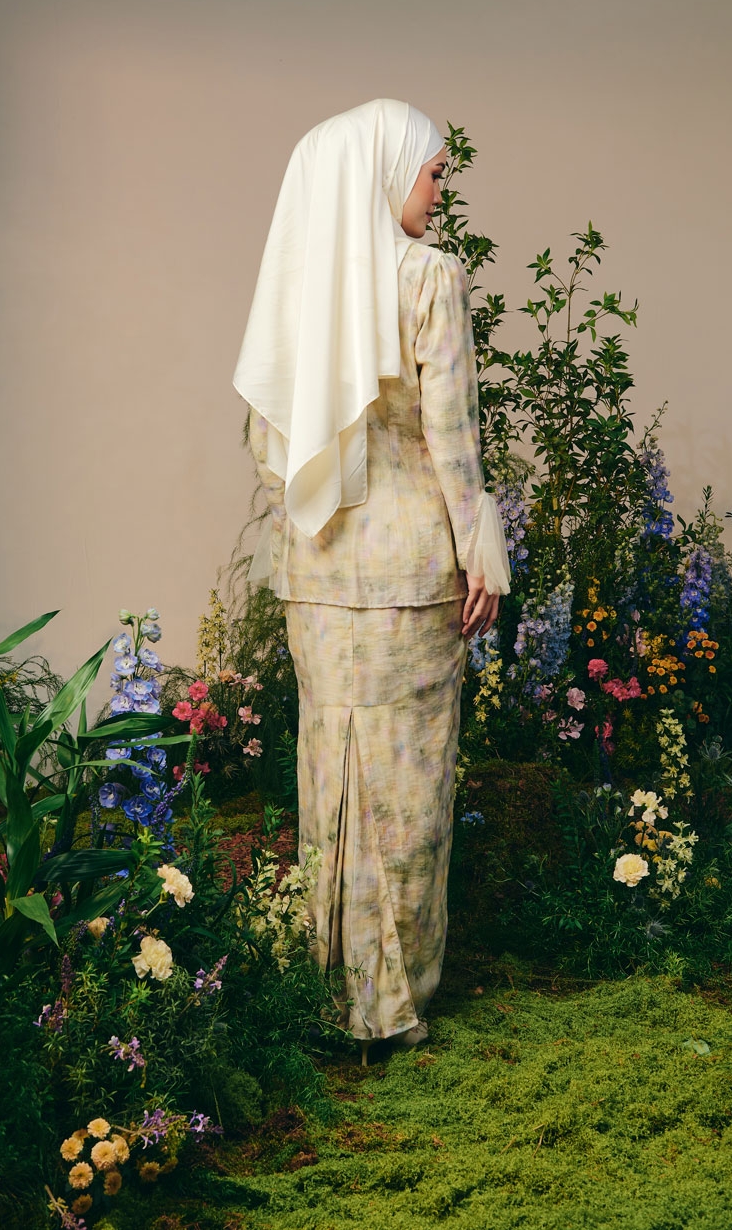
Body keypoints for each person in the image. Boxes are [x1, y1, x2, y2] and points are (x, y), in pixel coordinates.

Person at [233, 98, 509, 1063]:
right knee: (407, 787)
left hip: (317, 569)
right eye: (431, 172)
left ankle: (329, 991)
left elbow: (268, 437)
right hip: (408, 566)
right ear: (384, 171)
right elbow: (453, 439)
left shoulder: (303, 291)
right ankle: (393, 1002)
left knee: (330, 774)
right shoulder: (430, 276)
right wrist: (482, 552)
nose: (438, 192)